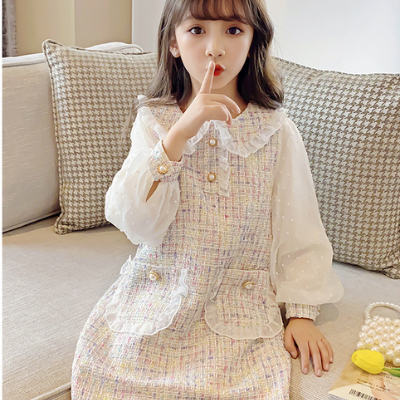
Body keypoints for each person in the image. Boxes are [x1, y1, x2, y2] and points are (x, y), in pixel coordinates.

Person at [71, 0, 344, 398]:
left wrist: (301, 313)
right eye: (197, 30)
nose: (215, 48)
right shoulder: (154, 121)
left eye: (233, 30)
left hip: (240, 305)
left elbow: (298, 226)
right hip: (159, 294)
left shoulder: (276, 131)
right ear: (173, 42)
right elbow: (135, 222)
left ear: (253, 41)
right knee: (108, 380)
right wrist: (177, 136)